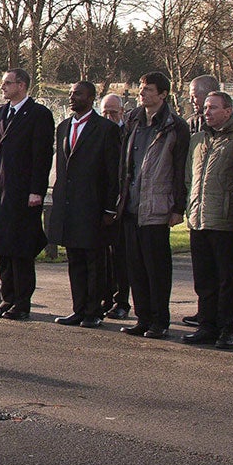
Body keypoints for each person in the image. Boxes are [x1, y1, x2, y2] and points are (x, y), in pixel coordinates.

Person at [46, 81, 122, 326]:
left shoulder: (105, 129)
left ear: (91, 98)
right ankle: (78, 308)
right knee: (75, 259)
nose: (72, 98)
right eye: (70, 93)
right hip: (69, 205)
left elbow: (113, 173)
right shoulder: (64, 127)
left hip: (93, 206)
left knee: (94, 261)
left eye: (77, 94)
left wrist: (110, 208)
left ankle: (93, 311)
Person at [119, 72, 189, 337]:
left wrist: (177, 207)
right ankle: (143, 318)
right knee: (135, 267)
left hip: (157, 207)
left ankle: (160, 320)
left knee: (156, 268)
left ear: (163, 94)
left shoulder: (174, 126)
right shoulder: (133, 120)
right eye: (141, 88)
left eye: (148, 89)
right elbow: (124, 163)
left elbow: (180, 168)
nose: (142, 93)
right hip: (131, 205)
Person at [0, 69, 53, 320]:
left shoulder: (38, 115)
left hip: (23, 193)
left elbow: (41, 156)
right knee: (2, 246)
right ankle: (7, 298)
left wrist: (36, 190)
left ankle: (22, 302)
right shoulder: (1, 114)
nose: (3, 87)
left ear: (21, 85)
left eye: (7, 83)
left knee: (20, 249)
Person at [182, 90, 233, 349]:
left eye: (213, 108)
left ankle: (227, 328)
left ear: (228, 111)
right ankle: (206, 325)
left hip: (225, 220)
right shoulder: (197, 139)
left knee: (226, 279)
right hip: (199, 218)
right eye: (205, 107)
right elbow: (190, 176)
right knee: (204, 279)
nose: (206, 112)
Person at [97, 92, 133, 323]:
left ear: (122, 112)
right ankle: (105, 298)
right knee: (102, 255)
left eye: (113, 112)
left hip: (122, 203)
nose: (109, 116)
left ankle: (122, 301)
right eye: (105, 112)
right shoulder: (98, 131)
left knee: (120, 255)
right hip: (99, 201)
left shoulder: (127, 134)